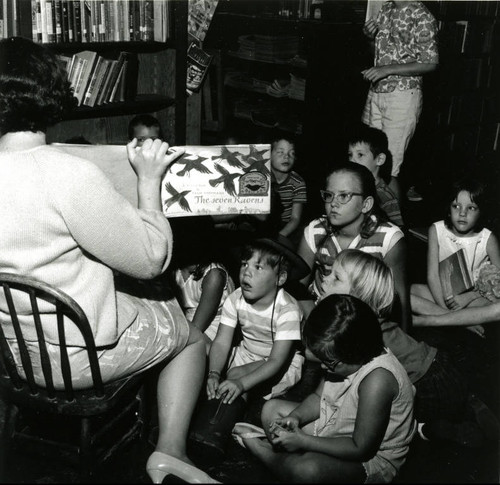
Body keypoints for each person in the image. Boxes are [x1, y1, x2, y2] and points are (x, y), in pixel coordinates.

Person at [0, 37, 216, 484]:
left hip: (13, 356)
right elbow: (151, 259)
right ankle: (170, 453)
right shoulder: (68, 174)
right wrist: (150, 180)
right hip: (79, 361)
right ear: (52, 94)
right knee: (190, 333)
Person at [319, 249, 499, 448]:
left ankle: (437, 426)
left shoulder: (358, 329)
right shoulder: (368, 316)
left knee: (385, 427)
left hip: (428, 383)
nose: (325, 279)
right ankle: (454, 413)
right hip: (438, 367)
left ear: (358, 297)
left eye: (336, 278)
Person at [239, 294, 416, 483]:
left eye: (329, 363)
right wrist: (296, 417)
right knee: (270, 411)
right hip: (334, 425)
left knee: (307, 471)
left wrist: (303, 441)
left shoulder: (377, 380)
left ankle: (263, 451)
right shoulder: (341, 356)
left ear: (356, 353)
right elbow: (317, 398)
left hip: (368, 457)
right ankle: (293, 458)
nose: (323, 367)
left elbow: (361, 448)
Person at [297, 162, 411, 331]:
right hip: (319, 311)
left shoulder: (389, 239)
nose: (333, 203)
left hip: (365, 318)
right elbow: (298, 287)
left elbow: (400, 300)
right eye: (329, 195)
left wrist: (403, 342)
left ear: (366, 204)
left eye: (343, 196)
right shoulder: (316, 230)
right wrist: (314, 320)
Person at [206, 236, 309, 406]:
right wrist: (214, 373)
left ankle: (221, 424)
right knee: (204, 356)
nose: (247, 272)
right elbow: (222, 342)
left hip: (279, 363)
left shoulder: (287, 309)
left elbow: (276, 360)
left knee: (236, 376)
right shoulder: (235, 299)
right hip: (246, 353)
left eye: (258, 267)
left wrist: (241, 383)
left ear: (280, 278)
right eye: (244, 264)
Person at [361, 1, 439, 202]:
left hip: (403, 96)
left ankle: (394, 224)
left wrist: (387, 70)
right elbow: (379, 55)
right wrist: (370, 39)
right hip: (377, 92)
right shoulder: (386, 9)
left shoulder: (422, 15)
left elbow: (430, 62)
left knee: (389, 168)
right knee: (368, 161)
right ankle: (370, 217)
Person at [411, 177, 500, 335]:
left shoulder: (487, 239)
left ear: (481, 211)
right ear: (448, 208)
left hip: (474, 299)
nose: (462, 213)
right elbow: (432, 276)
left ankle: (437, 319)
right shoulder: (436, 230)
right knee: (411, 291)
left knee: (496, 308)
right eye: (456, 206)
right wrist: (445, 308)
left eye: (471, 208)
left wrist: (469, 297)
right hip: (442, 294)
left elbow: (498, 283)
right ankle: (459, 322)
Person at [169, 223, 235, 353]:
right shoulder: (175, 268)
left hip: (212, 329)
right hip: (187, 322)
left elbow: (197, 328)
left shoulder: (213, 274)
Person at [348, 123, 404, 227]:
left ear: (379, 159)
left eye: (360, 155)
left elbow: (396, 232)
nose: (352, 160)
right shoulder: (349, 187)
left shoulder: (385, 197)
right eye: (350, 155)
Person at [270, 136, 307, 245]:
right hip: (263, 222)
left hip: (286, 225)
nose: (286, 157)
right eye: (280, 152)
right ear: (269, 155)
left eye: (291, 153)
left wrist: (280, 237)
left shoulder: (298, 182)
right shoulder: (260, 177)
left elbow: (295, 218)